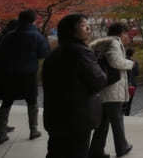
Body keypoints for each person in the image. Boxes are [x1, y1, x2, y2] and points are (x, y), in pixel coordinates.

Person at [42, 14, 108, 158]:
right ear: (72, 30)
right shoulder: (81, 52)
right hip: (77, 118)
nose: (89, 29)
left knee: (55, 152)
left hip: (56, 115)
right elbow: (98, 81)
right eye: (84, 25)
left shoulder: (54, 54)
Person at [0, 9, 50, 144]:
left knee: (6, 102)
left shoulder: (9, 36)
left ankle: (1, 132)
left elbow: (0, 53)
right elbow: (44, 53)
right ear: (33, 20)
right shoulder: (36, 36)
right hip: (29, 74)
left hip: (9, 74)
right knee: (32, 102)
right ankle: (33, 130)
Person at [88, 22, 134, 158]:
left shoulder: (104, 43)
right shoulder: (114, 43)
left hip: (105, 88)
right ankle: (122, 147)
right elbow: (116, 62)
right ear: (121, 33)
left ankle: (96, 150)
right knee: (117, 120)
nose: (128, 37)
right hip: (113, 90)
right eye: (127, 33)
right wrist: (131, 63)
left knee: (103, 123)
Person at [122, 47, 139, 116]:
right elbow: (137, 73)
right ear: (132, 54)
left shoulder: (122, 61)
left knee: (122, 101)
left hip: (123, 83)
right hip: (132, 84)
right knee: (129, 102)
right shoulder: (134, 62)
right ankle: (127, 115)